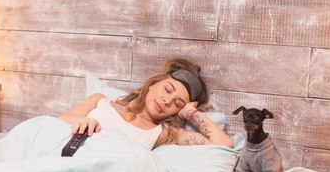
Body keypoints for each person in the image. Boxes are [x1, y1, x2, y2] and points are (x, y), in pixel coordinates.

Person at [60, 58, 233, 150]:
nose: (167, 100)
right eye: (167, 89)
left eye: (177, 103)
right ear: (152, 84)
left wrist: (190, 113)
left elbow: (224, 146)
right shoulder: (99, 100)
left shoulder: (163, 134)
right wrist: (80, 122)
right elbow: (61, 119)